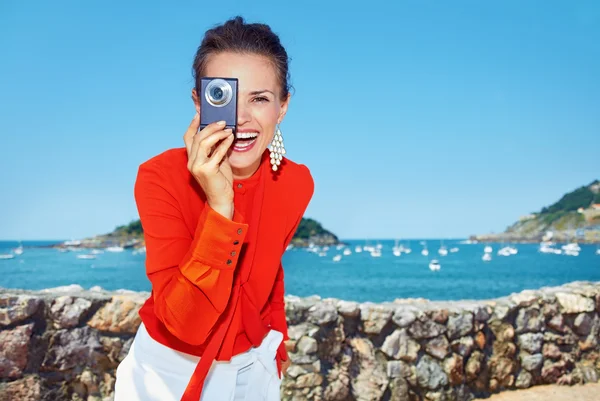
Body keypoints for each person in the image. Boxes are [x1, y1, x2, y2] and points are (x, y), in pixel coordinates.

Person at [114, 16, 314, 401]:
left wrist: (278, 337)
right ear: (198, 101)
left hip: (253, 367)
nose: (240, 119)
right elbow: (185, 324)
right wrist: (220, 206)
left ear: (283, 106)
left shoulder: (296, 182)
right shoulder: (158, 176)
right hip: (168, 370)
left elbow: (271, 267)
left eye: (260, 98)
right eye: (224, 96)